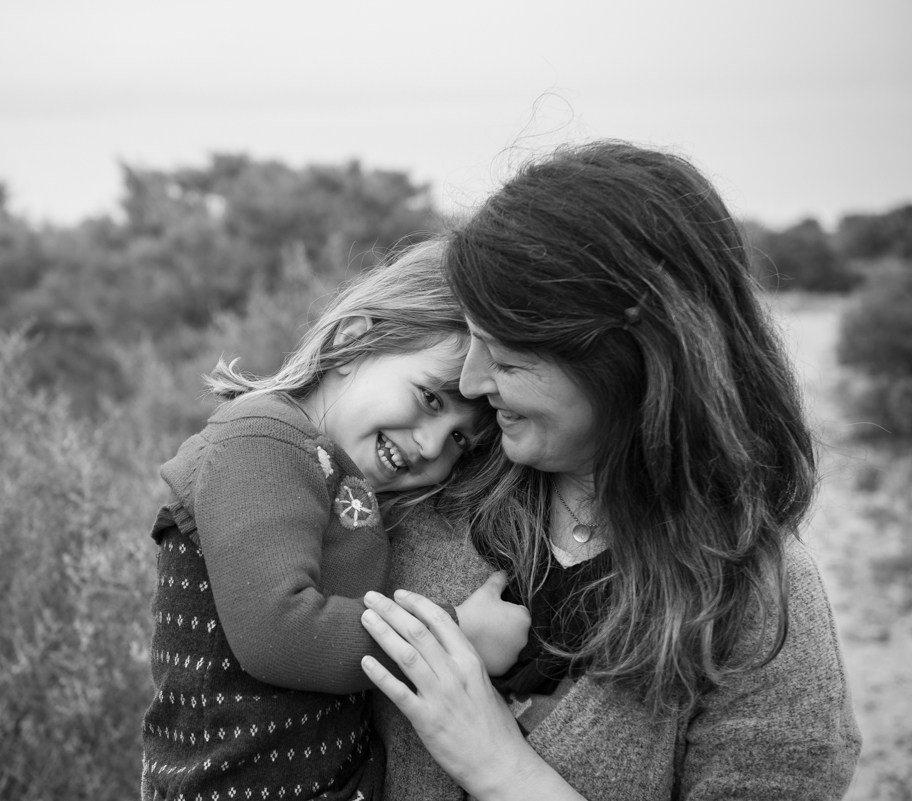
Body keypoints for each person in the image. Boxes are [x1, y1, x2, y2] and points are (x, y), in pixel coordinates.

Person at [358, 141, 862, 800]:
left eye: (509, 362)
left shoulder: (757, 601)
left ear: (631, 363)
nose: (475, 382)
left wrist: (501, 767)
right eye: (475, 343)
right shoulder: (432, 490)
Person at [140, 240, 531, 801]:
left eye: (460, 441)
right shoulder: (262, 438)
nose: (430, 445)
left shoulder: (328, 469)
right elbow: (280, 632)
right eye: (431, 399)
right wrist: (458, 636)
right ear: (352, 341)